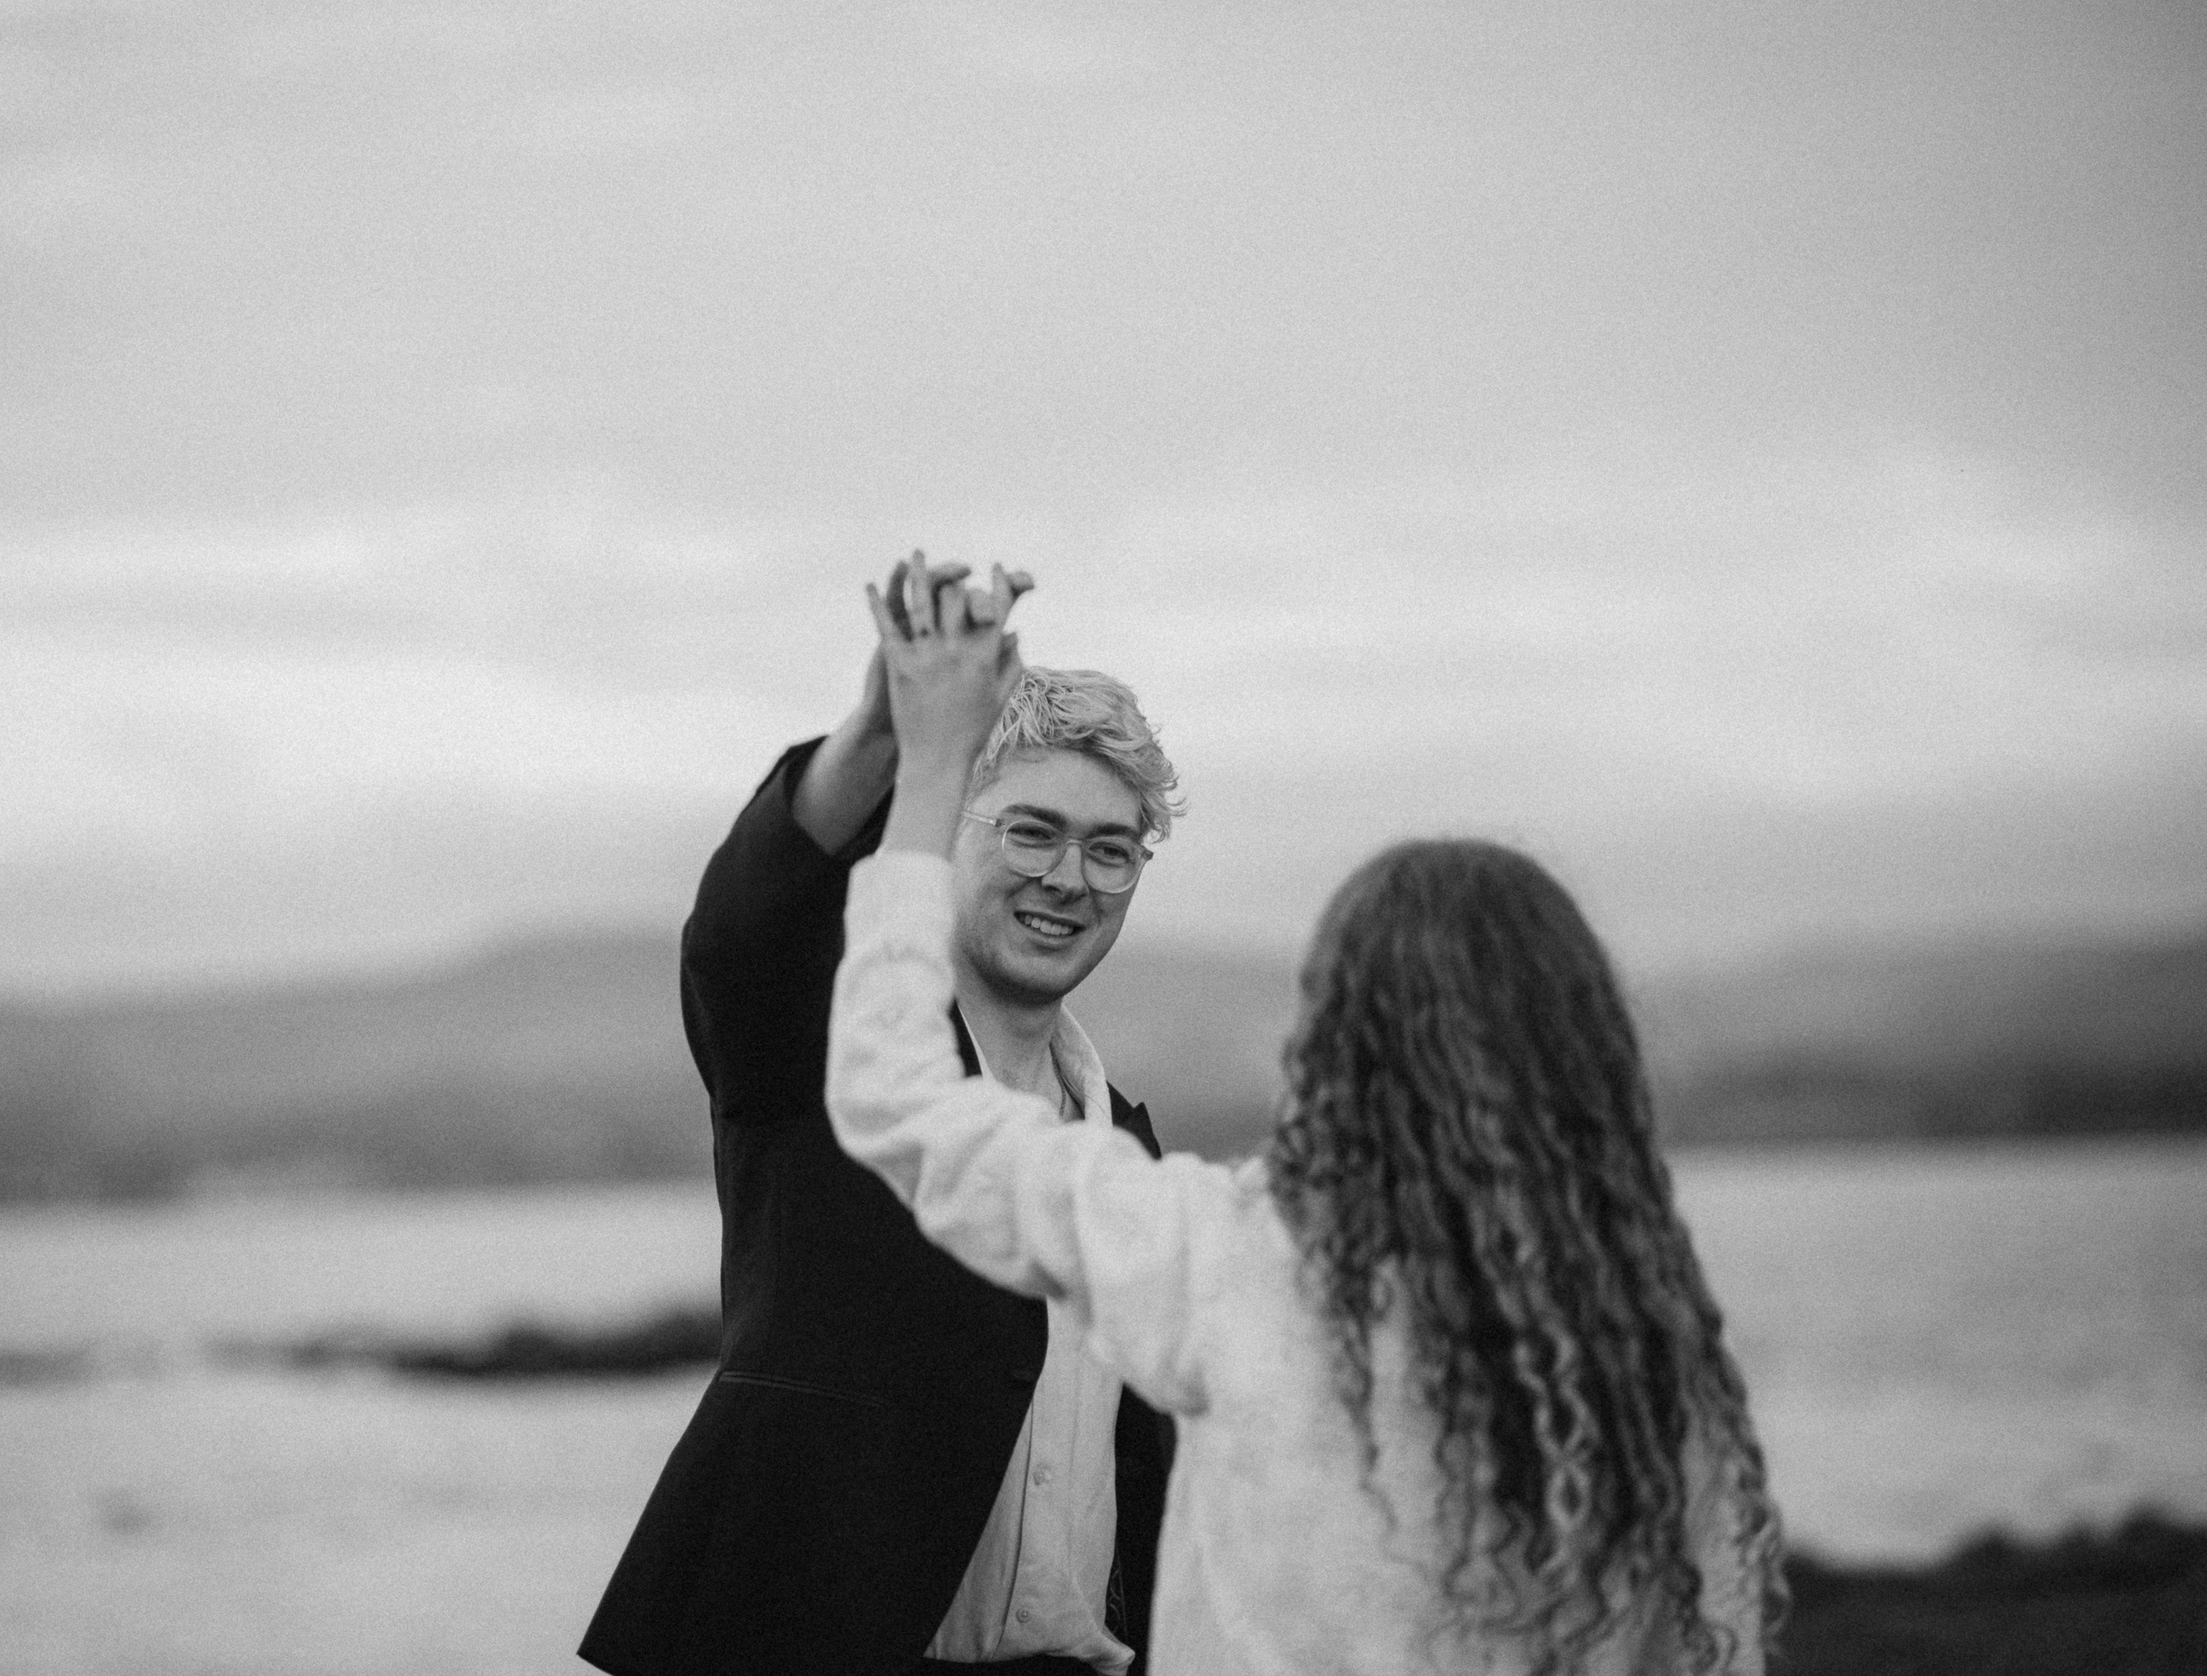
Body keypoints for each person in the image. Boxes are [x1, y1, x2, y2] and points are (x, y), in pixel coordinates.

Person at [825, 568, 1787, 1674]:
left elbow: (894, 1095)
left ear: (1332, 1042)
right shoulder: (1649, 1369)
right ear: (1589, 1062)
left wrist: (931, 763)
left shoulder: (1227, 1261)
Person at [580, 557, 1184, 1676]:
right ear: (944, 823)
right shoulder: (817, 1058)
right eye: (1031, 831)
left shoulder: (1131, 1156)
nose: (1071, 878)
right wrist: (884, 734)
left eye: (1112, 849)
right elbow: (741, 928)